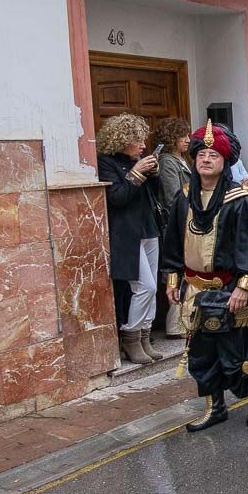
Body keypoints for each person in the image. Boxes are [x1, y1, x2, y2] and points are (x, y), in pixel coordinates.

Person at [161, 119, 248, 431]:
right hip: (196, 290)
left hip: (232, 288)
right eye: (201, 154)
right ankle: (215, 406)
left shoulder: (241, 200)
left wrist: (244, 287)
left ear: (226, 161)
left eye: (213, 155)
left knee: (243, 349)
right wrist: (172, 278)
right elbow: (172, 240)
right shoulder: (184, 197)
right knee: (203, 353)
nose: (206, 159)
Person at [97, 113, 165, 365]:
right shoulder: (106, 163)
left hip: (149, 228)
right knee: (143, 286)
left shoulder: (138, 160)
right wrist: (136, 173)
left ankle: (145, 336)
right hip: (128, 233)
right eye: (137, 139)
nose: (142, 144)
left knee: (153, 286)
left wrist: (153, 174)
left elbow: (154, 195)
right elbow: (117, 198)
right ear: (121, 138)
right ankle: (130, 336)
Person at [154, 118, 193, 339]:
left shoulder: (183, 159)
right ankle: (174, 325)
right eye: (183, 136)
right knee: (178, 274)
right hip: (177, 225)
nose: (187, 140)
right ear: (172, 138)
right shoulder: (168, 161)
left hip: (187, 222)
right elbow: (173, 197)